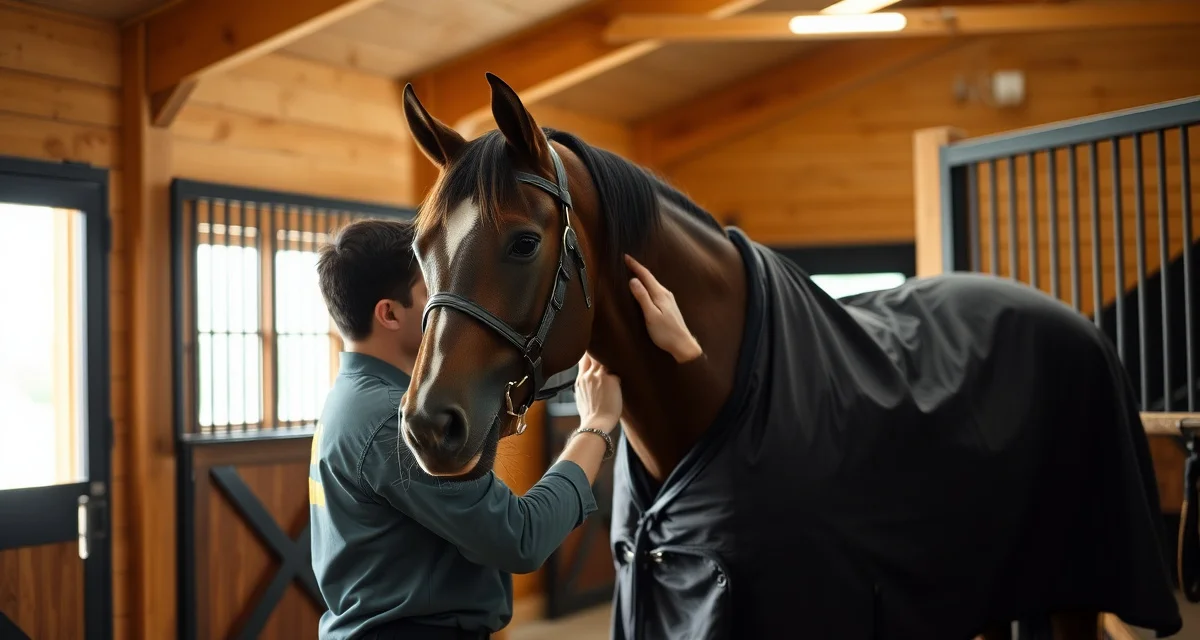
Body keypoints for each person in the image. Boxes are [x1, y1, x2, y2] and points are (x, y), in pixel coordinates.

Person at [309, 218, 702, 640]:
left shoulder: (352, 398)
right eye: (433, 292)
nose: (448, 305)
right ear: (388, 313)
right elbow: (521, 536)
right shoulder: (393, 418)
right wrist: (597, 424)